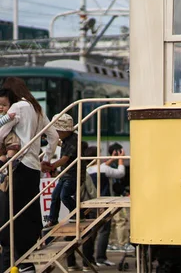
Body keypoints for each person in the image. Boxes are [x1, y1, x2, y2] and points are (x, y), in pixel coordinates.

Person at [0, 77, 59, 273]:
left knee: (14, 216)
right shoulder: (37, 108)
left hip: (20, 166)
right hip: (34, 167)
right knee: (30, 213)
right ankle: (29, 260)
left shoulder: (17, 107)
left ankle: (21, 263)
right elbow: (54, 136)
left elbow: (1, 131)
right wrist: (47, 158)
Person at [42, 114, 95, 271]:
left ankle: (78, 213)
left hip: (74, 174)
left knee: (65, 195)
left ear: (63, 131)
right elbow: (60, 145)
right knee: (55, 196)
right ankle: (53, 218)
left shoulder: (73, 140)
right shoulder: (66, 139)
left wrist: (51, 165)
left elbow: (65, 158)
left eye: (57, 131)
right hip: (65, 174)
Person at [85, 144, 126, 266]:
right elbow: (120, 173)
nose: (101, 156)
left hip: (90, 204)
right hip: (103, 202)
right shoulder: (102, 169)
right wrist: (120, 159)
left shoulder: (87, 169)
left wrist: (112, 159)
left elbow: (102, 167)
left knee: (91, 232)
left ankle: (88, 259)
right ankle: (101, 258)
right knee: (104, 230)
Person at [0, 89, 21, 192]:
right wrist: (8, 117)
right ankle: (11, 160)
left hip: (4, 144)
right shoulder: (4, 116)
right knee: (13, 140)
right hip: (4, 139)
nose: (1, 107)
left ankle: (6, 164)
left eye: (4, 105)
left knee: (4, 156)